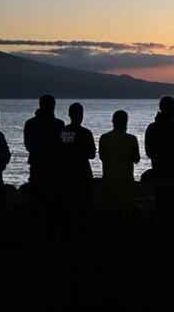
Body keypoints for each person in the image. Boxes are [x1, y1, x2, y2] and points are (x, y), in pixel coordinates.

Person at [144, 96, 174, 223]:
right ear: (173, 109)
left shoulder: (152, 128)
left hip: (159, 174)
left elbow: (149, 153)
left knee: (161, 208)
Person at [23, 95, 65, 226]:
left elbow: (28, 146)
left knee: (36, 204)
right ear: (53, 106)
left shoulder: (30, 124)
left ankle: (35, 235)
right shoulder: (59, 124)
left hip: (37, 168)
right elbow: (64, 145)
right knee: (53, 206)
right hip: (54, 169)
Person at [58, 102, 96, 239]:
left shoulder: (62, 132)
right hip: (82, 175)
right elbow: (92, 155)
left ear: (69, 115)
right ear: (81, 115)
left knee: (66, 208)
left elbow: (58, 151)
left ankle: (65, 235)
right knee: (81, 209)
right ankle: (80, 235)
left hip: (65, 175)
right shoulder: (85, 133)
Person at [98, 110, 140, 225]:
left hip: (108, 180)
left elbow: (102, 157)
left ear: (113, 122)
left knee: (110, 212)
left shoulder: (104, 138)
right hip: (126, 181)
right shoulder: (132, 139)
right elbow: (136, 159)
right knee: (126, 212)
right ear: (126, 123)